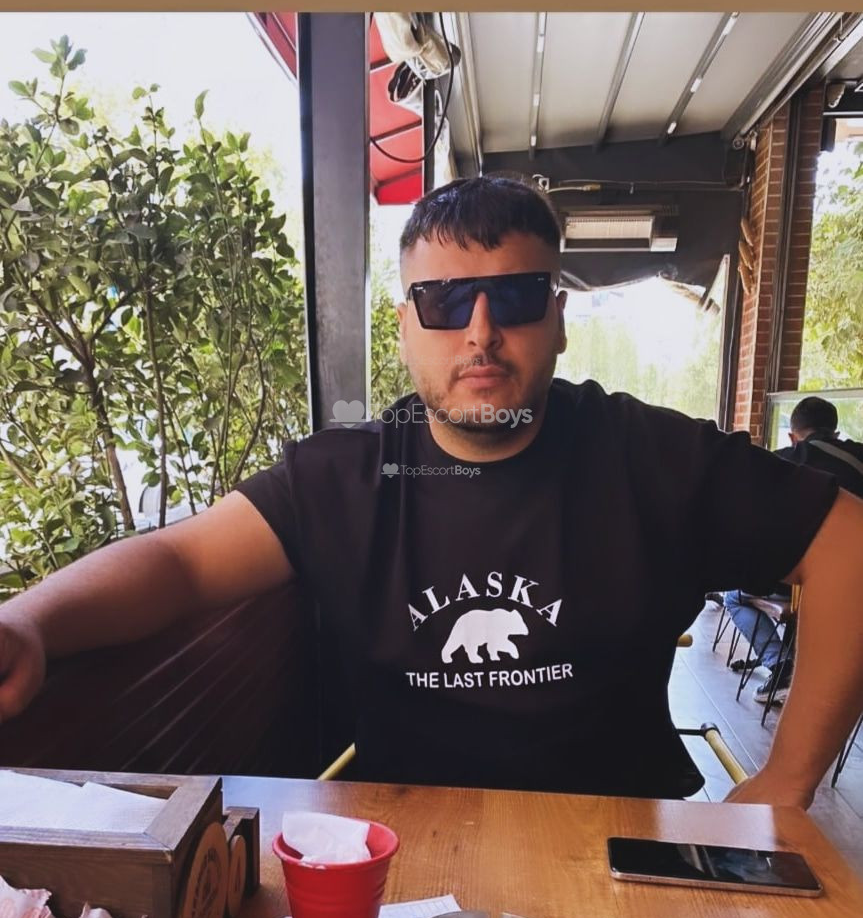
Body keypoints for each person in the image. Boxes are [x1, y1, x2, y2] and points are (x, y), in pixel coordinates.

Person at [1, 176, 863, 809]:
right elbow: (180, 561)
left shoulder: (650, 455)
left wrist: (785, 781)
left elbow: (848, 541)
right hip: (405, 839)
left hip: (619, 835)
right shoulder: (343, 477)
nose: (480, 332)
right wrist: (32, 622)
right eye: (444, 302)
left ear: (557, 320)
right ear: (406, 327)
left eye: (515, 297)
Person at [723, 397, 863, 704]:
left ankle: (781, 665)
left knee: (734, 596)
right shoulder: (858, 457)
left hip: (795, 583)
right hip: (853, 588)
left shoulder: (781, 461)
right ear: (836, 433)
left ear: (792, 435)